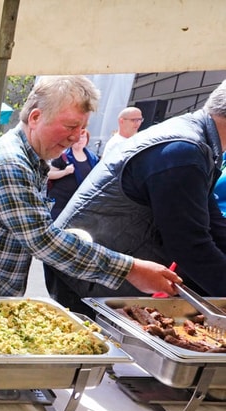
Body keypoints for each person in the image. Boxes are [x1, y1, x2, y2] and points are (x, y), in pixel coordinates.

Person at [0, 75, 180, 301]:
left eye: (81, 129)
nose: (75, 137)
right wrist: (131, 269)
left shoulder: (31, 157)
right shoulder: (10, 163)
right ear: (36, 117)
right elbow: (43, 242)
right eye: (70, 126)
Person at [48, 78, 226, 313]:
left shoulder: (194, 141)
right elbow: (190, 246)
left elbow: (212, 226)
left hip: (94, 271)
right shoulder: (184, 152)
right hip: (88, 276)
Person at [46, 128, 99, 220]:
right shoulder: (62, 155)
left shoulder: (92, 157)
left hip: (81, 203)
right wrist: (65, 172)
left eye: (83, 137)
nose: (81, 140)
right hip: (61, 204)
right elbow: (49, 174)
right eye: (78, 137)